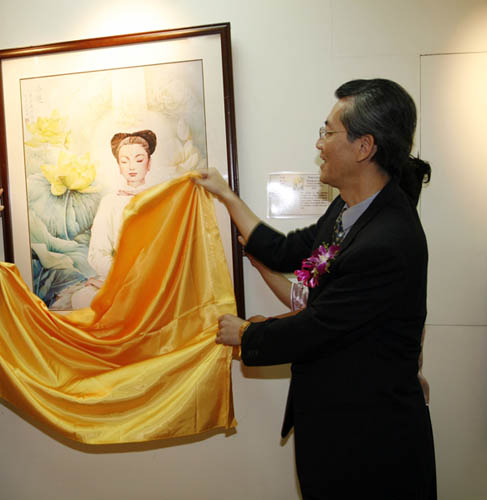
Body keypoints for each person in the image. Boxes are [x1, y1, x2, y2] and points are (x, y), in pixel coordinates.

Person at [195, 79, 436, 499]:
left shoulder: (388, 240)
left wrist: (246, 334)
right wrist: (226, 195)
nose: (319, 144)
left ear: (364, 147)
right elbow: (288, 251)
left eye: (328, 131)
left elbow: (319, 327)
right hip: (337, 426)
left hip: (370, 444)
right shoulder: (348, 210)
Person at [67, 130, 156, 309]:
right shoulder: (110, 202)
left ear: (149, 163)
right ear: (119, 166)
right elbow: (97, 253)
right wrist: (120, 279)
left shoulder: (160, 198)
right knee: (82, 300)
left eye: (139, 160)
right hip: (116, 275)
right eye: (124, 161)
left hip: (153, 276)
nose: (131, 167)